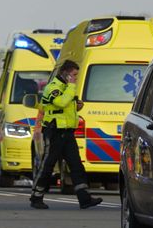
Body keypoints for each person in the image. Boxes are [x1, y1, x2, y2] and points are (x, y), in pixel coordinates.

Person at [29, 60, 102, 210]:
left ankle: (84, 198)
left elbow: (66, 106)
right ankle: (36, 197)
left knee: (76, 166)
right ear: (66, 73)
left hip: (67, 131)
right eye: (74, 74)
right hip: (54, 131)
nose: (76, 77)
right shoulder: (53, 87)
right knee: (47, 165)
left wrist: (77, 105)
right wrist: (71, 86)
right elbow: (61, 103)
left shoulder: (66, 87)